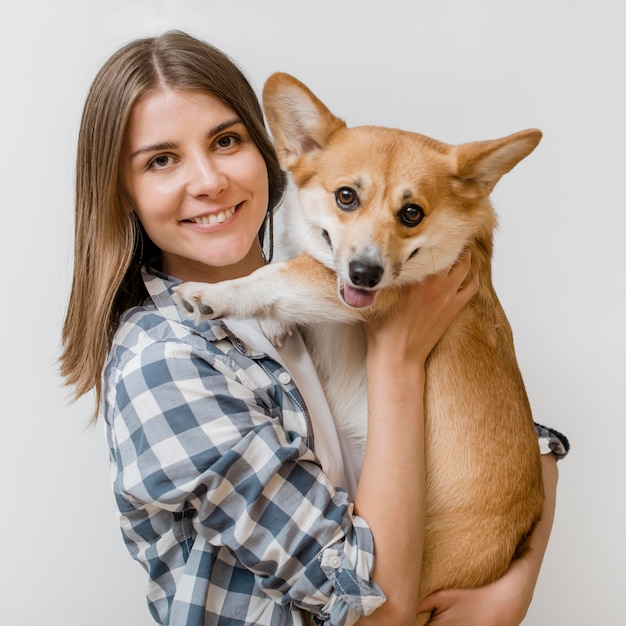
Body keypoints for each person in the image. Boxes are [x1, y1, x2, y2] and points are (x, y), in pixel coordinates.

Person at [60, 31, 569, 626]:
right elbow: (372, 607)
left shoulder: (334, 297)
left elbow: (514, 438)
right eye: (162, 160)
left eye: (226, 141)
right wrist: (395, 361)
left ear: (270, 149)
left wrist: (516, 580)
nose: (208, 182)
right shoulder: (163, 364)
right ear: (122, 190)